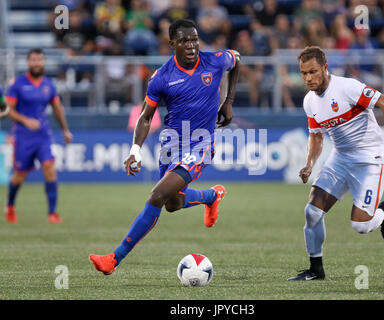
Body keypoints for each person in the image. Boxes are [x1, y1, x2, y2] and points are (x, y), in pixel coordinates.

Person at [89, 19, 240, 275]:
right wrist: (135, 151)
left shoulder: (214, 61)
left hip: (201, 143)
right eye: (184, 41)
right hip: (171, 145)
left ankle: (113, 259)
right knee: (173, 204)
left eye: (194, 39)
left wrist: (228, 101)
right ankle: (212, 196)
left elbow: (236, 58)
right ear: (172, 44)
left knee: (156, 196)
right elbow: (146, 117)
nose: (191, 45)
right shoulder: (162, 77)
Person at [287, 46, 384, 281]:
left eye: (313, 72)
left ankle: (382, 213)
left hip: (370, 160)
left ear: (325, 68)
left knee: (361, 226)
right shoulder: (309, 102)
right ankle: (316, 270)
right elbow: (316, 136)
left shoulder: (347, 87)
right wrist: (309, 164)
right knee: (312, 212)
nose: (308, 78)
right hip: (340, 158)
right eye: (304, 73)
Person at [4, 48, 73, 224]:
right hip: (23, 136)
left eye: (40, 60)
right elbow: (7, 110)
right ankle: (10, 205)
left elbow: (57, 108)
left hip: (43, 135)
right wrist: (25, 120)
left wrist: (65, 129)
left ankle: (52, 212)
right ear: (28, 62)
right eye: (33, 60)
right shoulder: (17, 84)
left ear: (43, 62)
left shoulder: (48, 85)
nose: (37, 63)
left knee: (49, 169)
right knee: (20, 176)